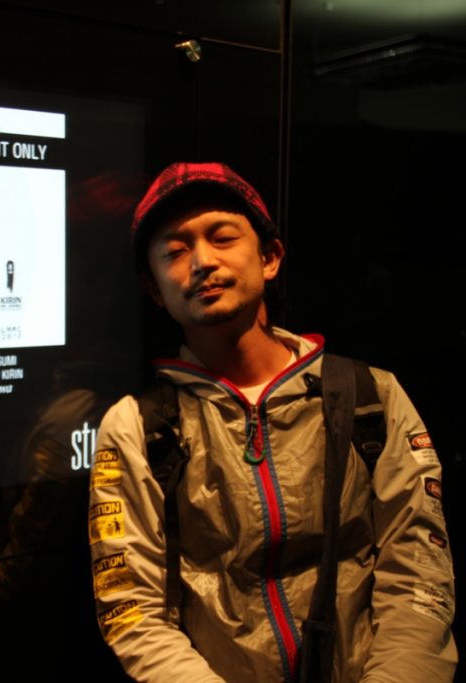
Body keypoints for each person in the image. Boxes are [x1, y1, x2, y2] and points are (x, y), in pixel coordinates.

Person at [89, 161, 457, 681]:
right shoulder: (137, 427)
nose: (202, 262)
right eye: (175, 251)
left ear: (269, 258)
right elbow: (134, 611)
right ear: (153, 288)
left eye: (222, 238)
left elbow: (419, 574)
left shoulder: (370, 396)